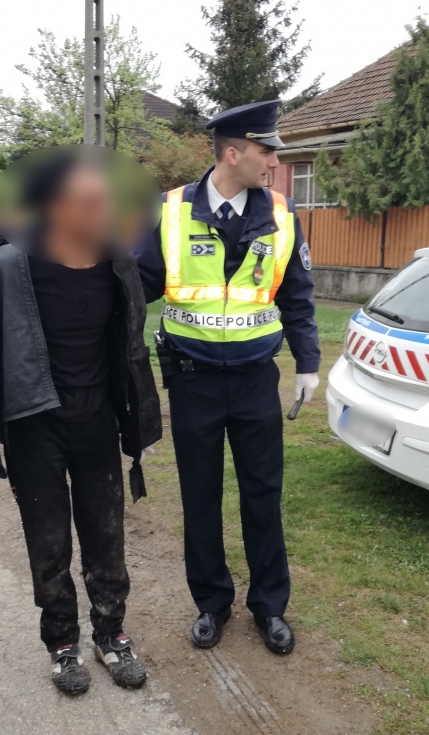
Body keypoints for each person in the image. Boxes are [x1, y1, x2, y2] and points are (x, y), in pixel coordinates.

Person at [0, 148, 162, 695]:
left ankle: (111, 635)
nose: (103, 211)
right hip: (33, 427)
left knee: (107, 538)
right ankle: (62, 643)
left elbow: (129, 347)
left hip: (96, 425)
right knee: (48, 544)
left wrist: (137, 420)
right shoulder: (3, 268)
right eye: (89, 201)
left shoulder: (117, 263)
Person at [134, 100, 321, 655]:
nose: (275, 163)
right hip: (192, 380)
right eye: (268, 151)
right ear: (233, 153)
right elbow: (134, 287)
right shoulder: (168, 211)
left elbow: (297, 297)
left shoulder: (283, 214)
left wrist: (308, 363)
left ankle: (269, 606)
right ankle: (211, 603)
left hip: (255, 379)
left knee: (263, 494)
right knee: (200, 497)